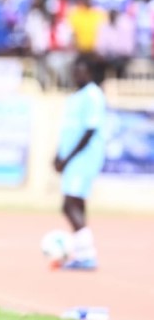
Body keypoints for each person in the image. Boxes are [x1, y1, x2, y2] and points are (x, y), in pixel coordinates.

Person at [54, 54, 107, 270]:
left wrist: (67, 158)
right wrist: (58, 154)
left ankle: (87, 254)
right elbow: (68, 130)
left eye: (81, 70)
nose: (77, 73)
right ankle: (81, 254)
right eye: (75, 69)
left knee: (68, 205)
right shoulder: (75, 97)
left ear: (90, 73)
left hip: (84, 158)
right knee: (77, 204)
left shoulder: (93, 95)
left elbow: (89, 131)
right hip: (72, 158)